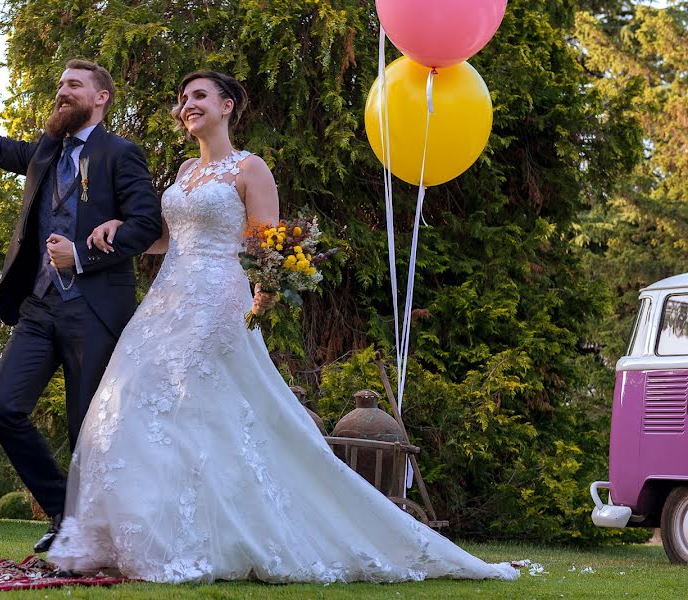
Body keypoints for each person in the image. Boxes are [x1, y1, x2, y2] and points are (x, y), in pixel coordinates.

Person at [46, 71, 517, 583]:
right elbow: (166, 237)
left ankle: (199, 538)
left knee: (191, 407)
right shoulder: (183, 172)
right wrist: (119, 228)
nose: (187, 105)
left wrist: (263, 295)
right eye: (182, 99)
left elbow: (265, 245)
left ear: (227, 106)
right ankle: (142, 535)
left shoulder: (250, 169)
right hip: (166, 300)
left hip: (217, 302)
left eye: (199, 96)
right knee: (131, 400)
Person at [0, 27, 162, 552]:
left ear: (100, 97)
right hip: (38, 306)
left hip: (94, 309)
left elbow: (146, 222)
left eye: (74, 85)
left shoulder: (120, 153)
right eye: (60, 85)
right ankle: (67, 513)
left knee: (84, 427)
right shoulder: (45, 150)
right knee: (2, 408)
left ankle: (94, 532)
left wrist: (84, 256)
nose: (62, 92)